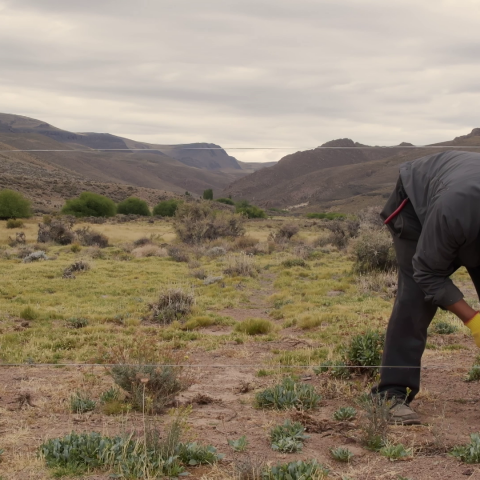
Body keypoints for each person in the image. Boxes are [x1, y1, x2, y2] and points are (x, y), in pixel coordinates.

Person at [374, 150, 480, 425]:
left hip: (463, 212)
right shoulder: (456, 210)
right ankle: (391, 393)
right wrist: (474, 320)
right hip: (417, 206)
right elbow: (427, 272)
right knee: (416, 297)